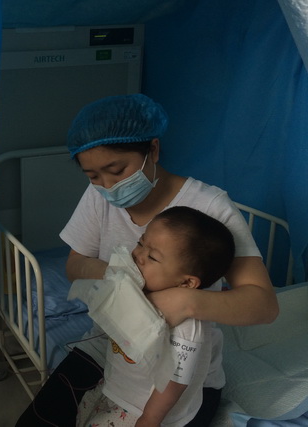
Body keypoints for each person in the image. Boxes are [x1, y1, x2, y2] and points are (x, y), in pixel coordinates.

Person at [16, 94, 278, 426]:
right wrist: (115, 277)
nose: (107, 186)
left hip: (181, 377)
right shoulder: (98, 197)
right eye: (93, 176)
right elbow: (75, 263)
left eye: (117, 170)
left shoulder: (210, 207)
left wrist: (184, 302)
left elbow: (264, 305)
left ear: (152, 150)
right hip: (108, 348)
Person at [74, 206, 235, 427]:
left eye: (152, 257)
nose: (138, 255)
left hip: (144, 409)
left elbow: (174, 381)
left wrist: (150, 418)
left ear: (186, 282)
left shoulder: (186, 326)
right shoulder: (136, 289)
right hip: (116, 388)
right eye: (140, 243)